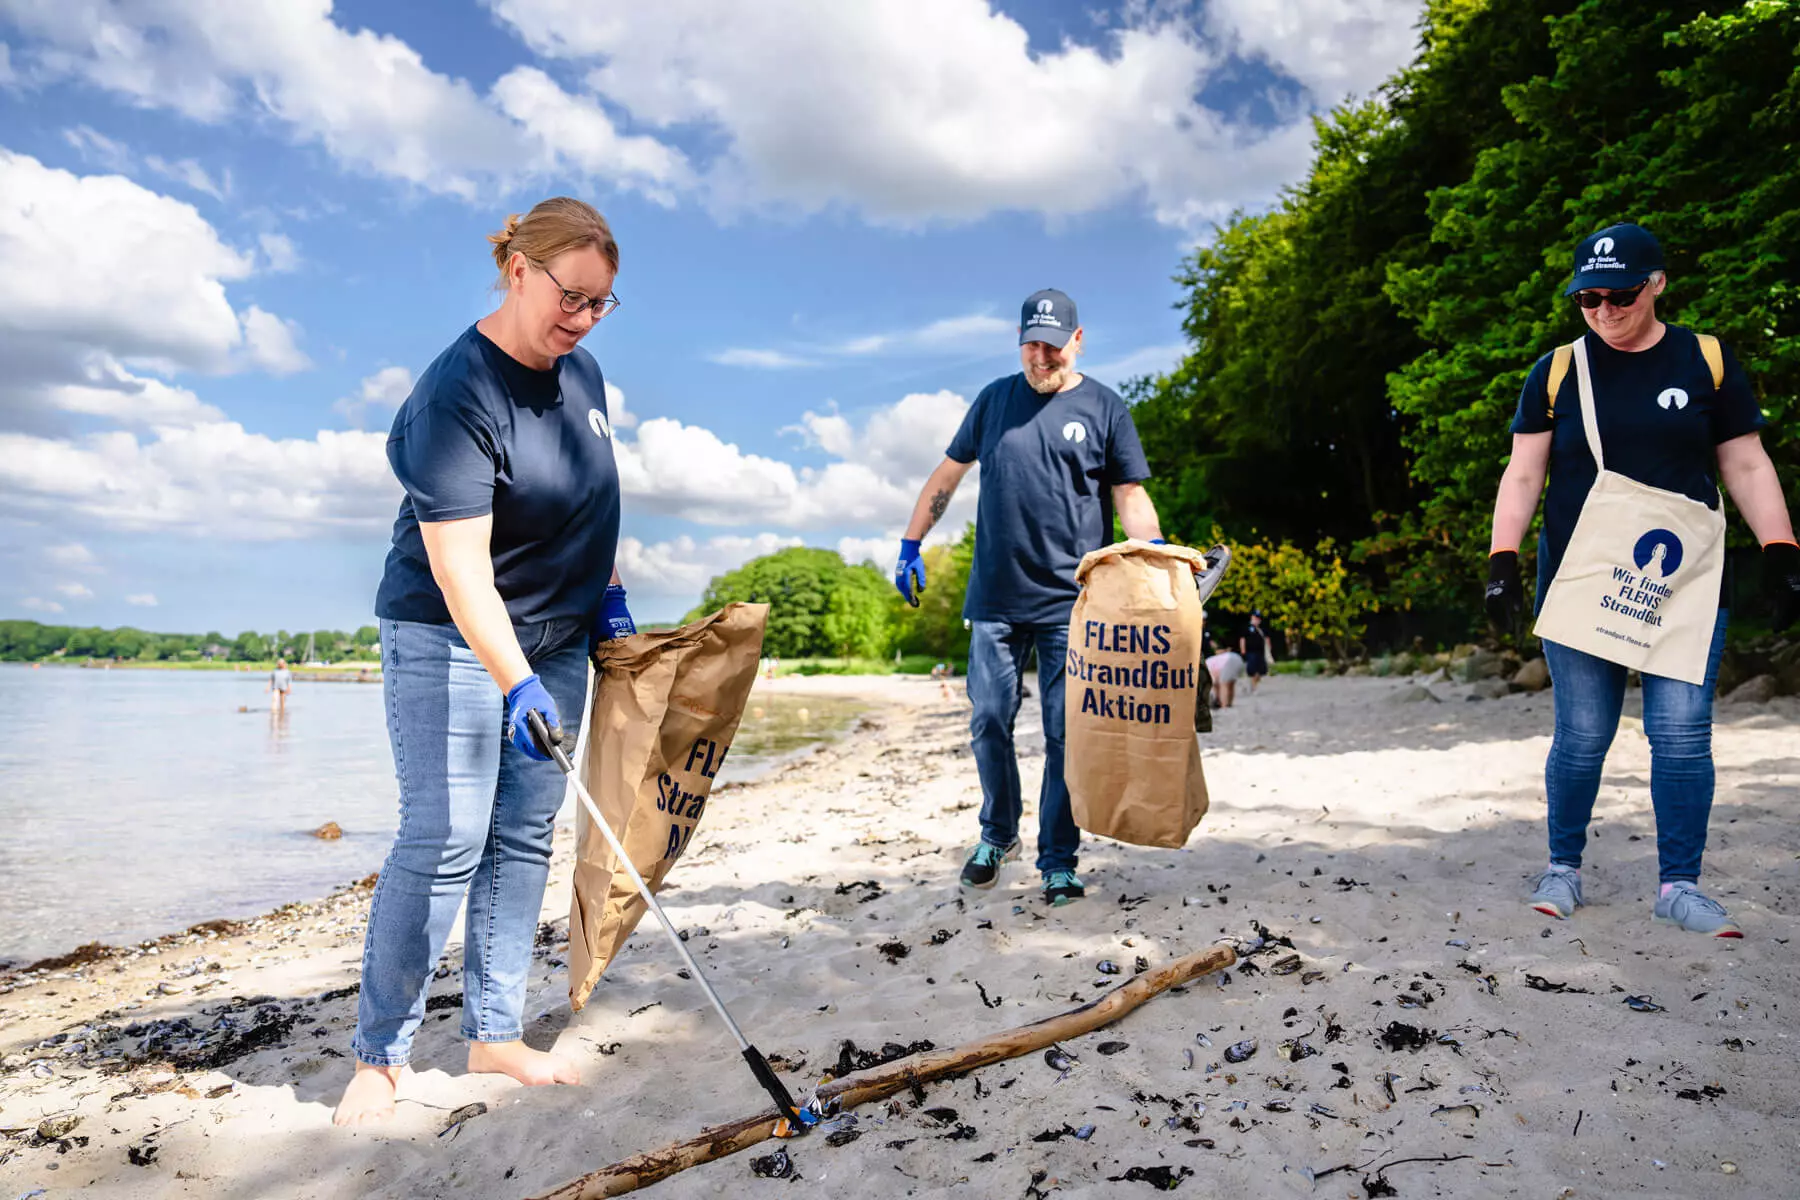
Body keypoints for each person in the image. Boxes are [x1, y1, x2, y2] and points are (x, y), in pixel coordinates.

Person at [335, 197, 637, 1125]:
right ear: (519, 270)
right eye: (571, 296)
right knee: (445, 837)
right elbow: (460, 568)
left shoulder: (580, 374)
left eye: (600, 305)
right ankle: (379, 1056)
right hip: (453, 641)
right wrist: (514, 681)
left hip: (562, 639)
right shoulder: (454, 394)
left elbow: (588, 504)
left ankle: (493, 1034)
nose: (582, 320)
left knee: (520, 837)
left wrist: (610, 595)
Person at [1485, 222, 1798, 939]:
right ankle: (1562, 866)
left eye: (1618, 295)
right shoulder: (1557, 372)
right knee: (1584, 733)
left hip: (1684, 579)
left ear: (1656, 283)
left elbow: (1745, 463)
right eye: (1587, 298)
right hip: (1580, 573)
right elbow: (1524, 470)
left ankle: (1679, 885)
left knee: (1682, 734)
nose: (1602, 310)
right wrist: (1502, 561)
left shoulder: (1706, 360)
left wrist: (1780, 546)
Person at [893, 288, 1171, 907]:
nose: (1040, 358)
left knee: (1065, 732)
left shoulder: (1105, 407)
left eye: (1051, 345)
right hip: (993, 595)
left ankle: (1059, 859)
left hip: (1074, 602)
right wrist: (911, 544)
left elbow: (1129, 494)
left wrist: (1155, 558)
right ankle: (998, 835)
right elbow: (946, 477)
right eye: (1030, 345)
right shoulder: (994, 400)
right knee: (989, 719)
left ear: (1077, 339)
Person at [1239, 613, 1272, 693]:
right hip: (1250, 652)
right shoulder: (1247, 628)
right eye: (1254, 618)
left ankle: (1252, 684)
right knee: (1253, 671)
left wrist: (1269, 649)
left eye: (1257, 618)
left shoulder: (1262, 629)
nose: (1256, 620)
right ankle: (1253, 687)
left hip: (1261, 652)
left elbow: (1267, 639)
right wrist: (1243, 650)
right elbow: (1242, 639)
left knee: (1261, 671)